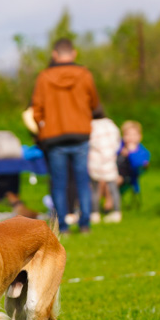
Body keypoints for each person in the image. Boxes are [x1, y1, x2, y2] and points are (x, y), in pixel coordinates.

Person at [31, 38, 100, 234]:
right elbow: (94, 103)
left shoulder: (44, 77)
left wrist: (42, 126)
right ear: (74, 53)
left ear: (54, 54)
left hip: (54, 137)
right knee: (82, 181)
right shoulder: (84, 75)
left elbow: (36, 109)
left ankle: (63, 226)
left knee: (59, 183)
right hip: (80, 134)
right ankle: (85, 223)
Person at [88, 106, 122, 224]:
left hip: (95, 160)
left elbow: (89, 142)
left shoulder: (90, 125)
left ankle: (94, 213)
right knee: (113, 189)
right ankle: (117, 213)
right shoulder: (111, 125)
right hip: (110, 160)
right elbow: (117, 141)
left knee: (95, 189)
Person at [117, 120, 151, 202]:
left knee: (112, 181)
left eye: (134, 135)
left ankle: (111, 207)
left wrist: (131, 152)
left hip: (128, 177)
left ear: (139, 137)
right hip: (112, 172)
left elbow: (137, 166)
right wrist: (120, 152)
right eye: (127, 134)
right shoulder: (119, 146)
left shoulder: (142, 152)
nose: (130, 137)